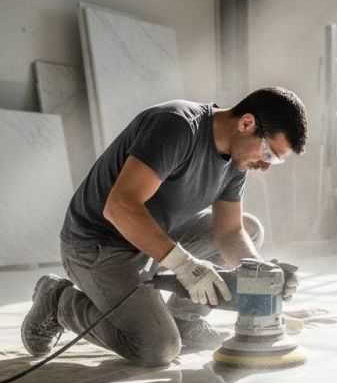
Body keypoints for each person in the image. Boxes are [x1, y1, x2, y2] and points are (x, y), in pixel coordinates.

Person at [20, 87, 308, 367]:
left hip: (153, 235)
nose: (266, 166)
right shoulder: (177, 126)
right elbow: (119, 207)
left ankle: (185, 321)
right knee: (156, 347)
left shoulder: (236, 160)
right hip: (98, 243)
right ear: (247, 123)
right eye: (268, 154)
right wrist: (184, 264)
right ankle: (57, 301)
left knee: (250, 229)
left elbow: (229, 232)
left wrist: (259, 275)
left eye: (275, 161)